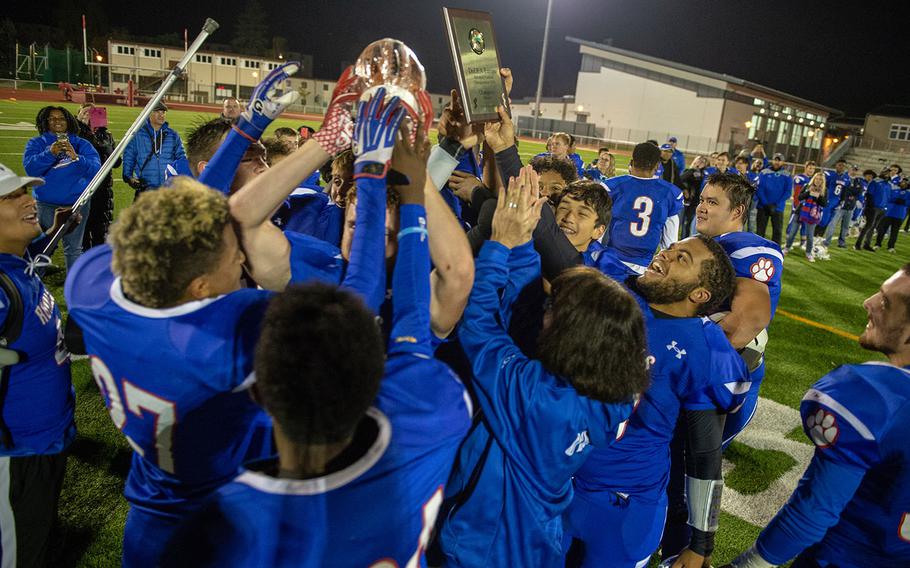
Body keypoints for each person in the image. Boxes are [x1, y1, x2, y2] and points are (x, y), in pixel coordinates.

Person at [164, 99, 471, 567]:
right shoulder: (317, 261)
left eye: (387, 234)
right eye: (357, 223)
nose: (367, 232)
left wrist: (406, 174)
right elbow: (238, 219)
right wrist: (408, 179)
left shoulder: (232, 516)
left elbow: (455, 276)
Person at [436, 166, 649, 567]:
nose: (548, 312)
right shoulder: (608, 392)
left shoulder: (537, 397)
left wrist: (499, 243)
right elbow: (528, 311)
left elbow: (478, 324)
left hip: (483, 547)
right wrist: (522, 247)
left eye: (558, 311)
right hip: (538, 539)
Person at [64, 179, 273, 568]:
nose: (241, 262)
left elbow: (167, 232)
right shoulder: (219, 343)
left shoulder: (90, 287)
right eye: (233, 258)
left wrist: (249, 127)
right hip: (224, 525)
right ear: (200, 286)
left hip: (152, 515)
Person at [565, 235, 749, 568]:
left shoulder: (704, 350)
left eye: (683, 259)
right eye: (671, 249)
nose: (665, 255)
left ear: (699, 294)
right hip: (557, 477)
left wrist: (702, 542)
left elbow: (704, 453)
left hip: (623, 502)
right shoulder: (620, 291)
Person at [726, 265, 910, 568]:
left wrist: (750, 563)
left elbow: (814, 511)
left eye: (887, 302)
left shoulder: (875, 397)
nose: (869, 302)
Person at [0, 163, 76, 568]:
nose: (29, 200)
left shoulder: (15, 260)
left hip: (44, 442)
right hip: (14, 454)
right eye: (12, 196)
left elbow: (32, 261)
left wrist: (55, 230)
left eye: (25, 191)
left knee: (39, 539)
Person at [22, 105, 101, 270]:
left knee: (73, 248)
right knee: (43, 246)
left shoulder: (81, 144)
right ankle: (34, 281)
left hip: (76, 204)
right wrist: (49, 153)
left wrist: (76, 158)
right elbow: (30, 168)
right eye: (52, 118)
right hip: (46, 204)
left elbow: (96, 169)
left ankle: (73, 285)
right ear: (46, 121)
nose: (57, 121)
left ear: (69, 121)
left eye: (61, 118)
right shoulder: (37, 143)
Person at [605, 142, 684, 274]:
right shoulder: (670, 193)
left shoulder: (613, 186)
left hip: (610, 260)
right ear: (657, 165)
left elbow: (598, 227)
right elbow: (670, 241)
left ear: (632, 162)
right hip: (644, 267)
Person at [75, 103, 120, 250]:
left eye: (92, 112)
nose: (88, 115)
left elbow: (117, 162)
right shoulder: (73, 135)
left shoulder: (106, 135)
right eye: (84, 113)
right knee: (82, 231)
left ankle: (98, 262)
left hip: (102, 189)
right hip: (81, 188)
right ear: (78, 115)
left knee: (101, 229)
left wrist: (108, 148)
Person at [122, 102, 187, 199]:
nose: (161, 115)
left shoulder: (173, 135)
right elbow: (129, 157)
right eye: (157, 111)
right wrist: (128, 177)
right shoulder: (138, 135)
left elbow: (181, 158)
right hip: (145, 189)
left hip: (168, 190)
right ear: (149, 113)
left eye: (163, 112)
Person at [784, 172, 827, 261]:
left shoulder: (824, 190)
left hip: (812, 215)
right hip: (800, 212)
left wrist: (817, 197)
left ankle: (808, 253)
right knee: (792, 233)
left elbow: (824, 204)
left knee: (810, 236)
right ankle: (786, 248)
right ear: (814, 179)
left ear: (823, 182)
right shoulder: (807, 185)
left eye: (820, 180)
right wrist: (808, 192)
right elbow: (799, 197)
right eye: (817, 178)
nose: (818, 181)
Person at [756, 153, 792, 246]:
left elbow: (788, 192)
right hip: (763, 206)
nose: (777, 162)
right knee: (760, 230)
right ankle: (758, 248)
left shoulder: (787, 175)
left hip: (778, 208)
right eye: (775, 160)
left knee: (777, 231)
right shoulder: (764, 172)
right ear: (772, 160)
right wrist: (765, 203)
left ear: (782, 162)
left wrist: (776, 204)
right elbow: (760, 188)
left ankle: (775, 251)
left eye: (779, 160)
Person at [822, 161, 860, 250]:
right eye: (852, 169)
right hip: (836, 204)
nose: (854, 171)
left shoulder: (858, 181)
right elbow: (847, 191)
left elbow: (856, 192)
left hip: (847, 206)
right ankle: (825, 241)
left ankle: (841, 242)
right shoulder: (842, 177)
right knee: (829, 223)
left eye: (855, 170)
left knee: (844, 226)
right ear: (849, 169)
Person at [857, 168, 892, 251]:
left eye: (889, 173)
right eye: (886, 172)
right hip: (873, 208)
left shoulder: (889, 184)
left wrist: (885, 207)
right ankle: (858, 244)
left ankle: (866, 244)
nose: (887, 174)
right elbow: (869, 194)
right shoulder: (875, 181)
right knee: (868, 226)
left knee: (873, 227)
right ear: (882, 172)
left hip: (882, 209)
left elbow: (888, 197)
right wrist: (870, 207)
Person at [873, 177, 908, 253]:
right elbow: (889, 198)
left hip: (899, 215)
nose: (904, 183)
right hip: (889, 213)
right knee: (882, 230)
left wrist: (900, 201)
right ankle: (877, 244)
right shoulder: (894, 190)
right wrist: (899, 200)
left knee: (894, 232)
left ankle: (891, 247)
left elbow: (908, 203)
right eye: (902, 182)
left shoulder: (908, 193)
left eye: (905, 183)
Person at [788, 161, 817, 249]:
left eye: (813, 169)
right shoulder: (799, 177)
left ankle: (802, 243)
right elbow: (797, 193)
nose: (811, 170)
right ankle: (788, 242)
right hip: (799, 205)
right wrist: (796, 206)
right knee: (793, 224)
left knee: (805, 224)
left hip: (808, 207)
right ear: (806, 167)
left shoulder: (813, 180)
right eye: (810, 168)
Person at [679, 155, 707, 238]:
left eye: (702, 162)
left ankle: (686, 240)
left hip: (696, 202)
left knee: (689, 223)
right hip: (686, 201)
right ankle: (682, 240)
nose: (699, 163)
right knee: (681, 222)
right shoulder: (689, 171)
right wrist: (684, 189)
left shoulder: (704, 173)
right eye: (698, 160)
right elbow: (680, 179)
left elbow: (700, 184)